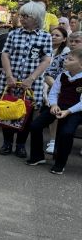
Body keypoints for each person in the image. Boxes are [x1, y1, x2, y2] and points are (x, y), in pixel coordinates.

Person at [0, 1, 52, 158]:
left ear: (36, 18)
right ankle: (7, 143)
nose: (22, 18)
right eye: (21, 15)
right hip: (10, 80)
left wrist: (31, 79)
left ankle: (20, 145)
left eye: (25, 16)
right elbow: (5, 54)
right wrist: (9, 75)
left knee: (26, 114)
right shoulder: (13, 34)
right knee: (7, 110)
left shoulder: (45, 37)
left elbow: (46, 59)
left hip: (31, 83)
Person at [27, 47, 82, 174]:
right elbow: (53, 93)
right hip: (58, 107)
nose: (65, 61)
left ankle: (60, 163)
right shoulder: (62, 75)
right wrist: (53, 105)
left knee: (66, 133)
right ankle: (37, 156)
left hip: (76, 111)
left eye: (70, 59)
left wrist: (68, 111)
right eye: (66, 58)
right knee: (35, 125)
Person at [41, 26, 71, 154]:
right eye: (51, 35)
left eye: (57, 35)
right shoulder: (45, 48)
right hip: (46, 79)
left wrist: (56, 87)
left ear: (64, 39)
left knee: (54, 100)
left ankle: (53, 140)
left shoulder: (66, 52)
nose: (53, 37)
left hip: (61, 85)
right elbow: (47, 73)